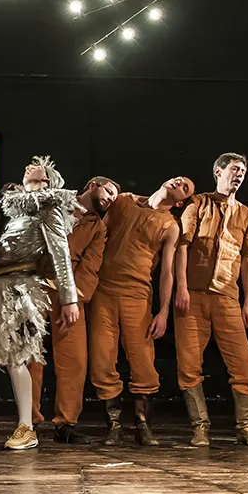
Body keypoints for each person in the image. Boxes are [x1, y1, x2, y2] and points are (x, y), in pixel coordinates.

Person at [0, 156, 79, 451]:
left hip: (17, 286)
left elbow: (61, 254)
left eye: (37, 164)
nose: (29, 165)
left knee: (15, 356)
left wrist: (69, 299)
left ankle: (26, 426)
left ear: (47, 178)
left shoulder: (48, 209)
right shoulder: (13, 209)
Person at [89, 176, 194, 446]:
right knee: (102, 358)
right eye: (178, 179)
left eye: (184, 187)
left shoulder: (170, 226)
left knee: (143, 361)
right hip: (103, 290)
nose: (179, 182)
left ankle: (142, 423)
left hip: (136, 295)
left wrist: (163, 311)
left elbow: (167, 273)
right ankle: (114, 425)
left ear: (180, 202)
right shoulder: (124, 201)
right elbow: (97, 234)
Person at [174, 153, 248, 447]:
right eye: (235, 169)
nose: (239, 175)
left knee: (243, 366)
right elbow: (182, 245)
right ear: (218, 172)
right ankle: (200, 427)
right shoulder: (199, 203)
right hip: (194, 296)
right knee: (189, 364)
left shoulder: (247, 215)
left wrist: (247, 302)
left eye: (243, 171)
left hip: (227, 297)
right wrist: (182, 288)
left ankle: (246, 427)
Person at [28, 176, 112, 444]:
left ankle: (66, 423)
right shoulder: (58, 204)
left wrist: (72, 298)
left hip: (71, 292)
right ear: (93, 184)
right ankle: (27, 421)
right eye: (109, 191)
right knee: (31, 355)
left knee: (74, 358)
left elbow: (90, 266)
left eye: (114, 197)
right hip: (37, 284)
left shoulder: (98, 226)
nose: (110, 198)